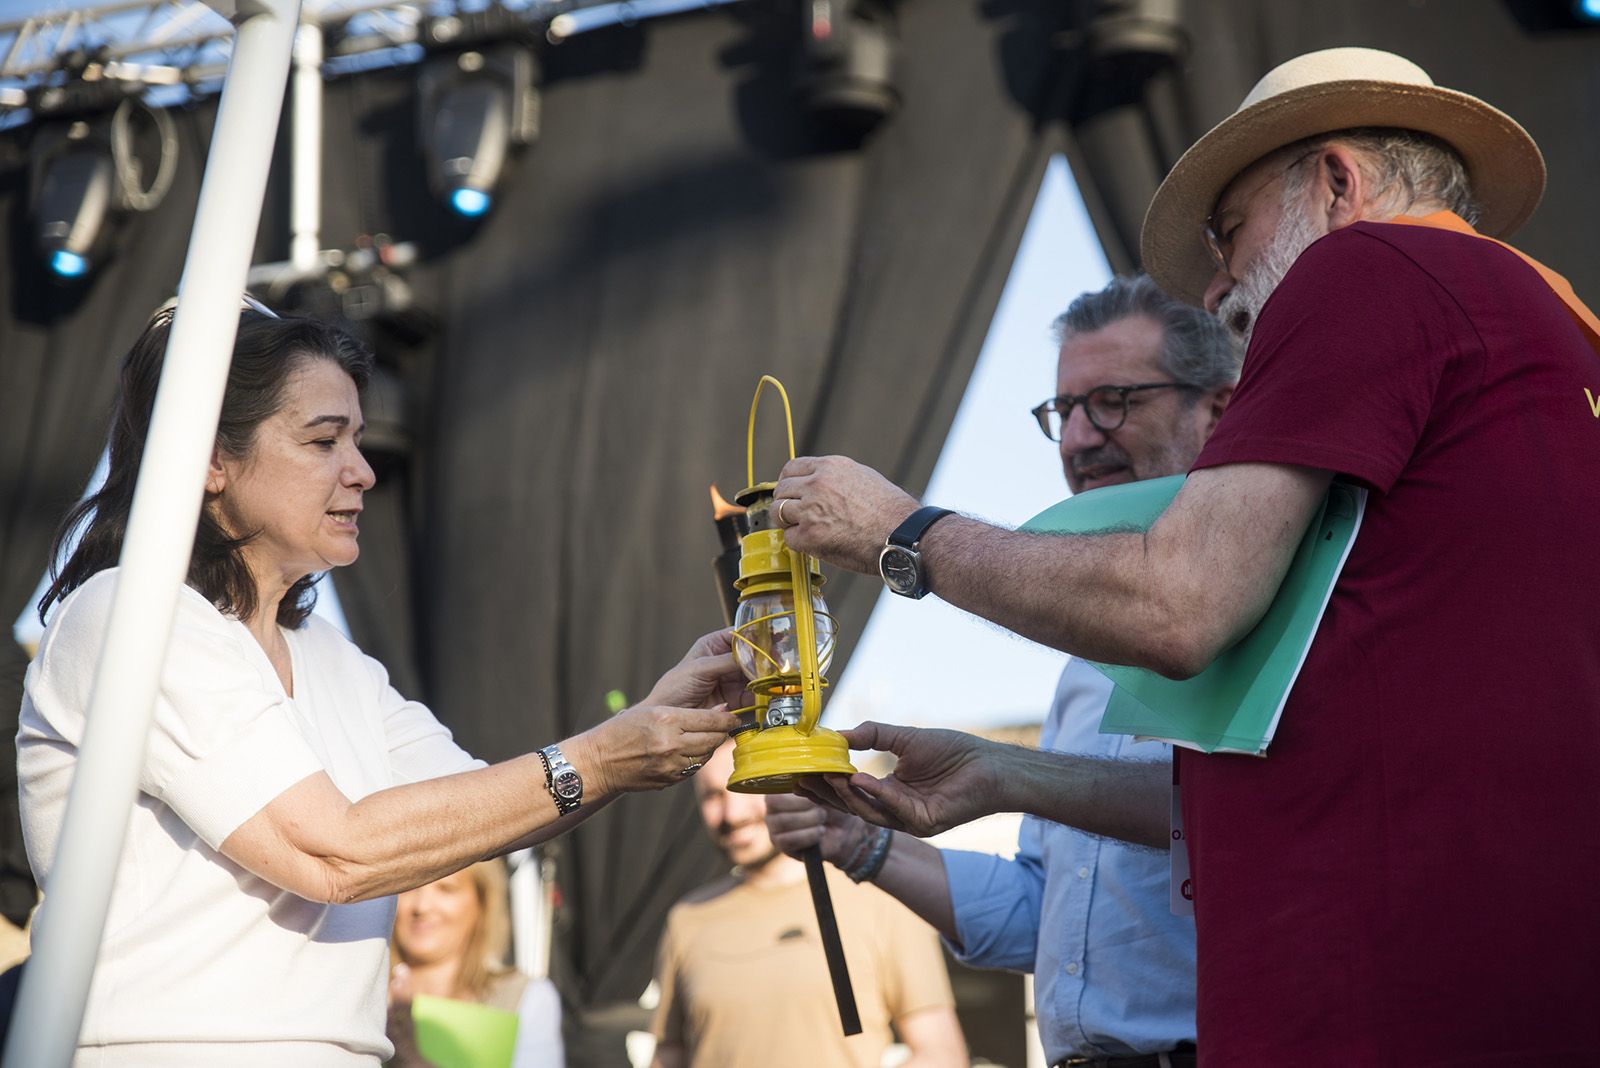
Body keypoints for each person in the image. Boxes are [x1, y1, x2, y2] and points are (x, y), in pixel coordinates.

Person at [766, 48, 1600, 1064]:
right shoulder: (1555, 321)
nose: (1217, 287)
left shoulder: (1363, 263)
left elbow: (1175, 606)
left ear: (1337, 182)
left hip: (1381, 988)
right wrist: (1003, 773)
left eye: (1230, 233)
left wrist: (902, 534)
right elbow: (1314, 752)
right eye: (1066, 410)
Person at [18, 303, 742, 1066]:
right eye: (324, 440)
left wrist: (665, 712)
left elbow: (485, 809)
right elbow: (335, 854)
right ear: (209, 459)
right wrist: (600, 760)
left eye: (357, 440)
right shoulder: (132, 613)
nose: (361, 470)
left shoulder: (330, 657)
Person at [766, 274, 1232, 1068]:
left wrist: (1011, 774)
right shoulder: (1085, 664)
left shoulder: (1271, 604)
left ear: (1216, 408)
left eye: (1115, 400)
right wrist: (860, 841)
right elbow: (1046, 919)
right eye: (1064, 411)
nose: (1081, 438)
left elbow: (1237, 819)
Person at [649, 739, 966, 1068]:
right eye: (713, 795)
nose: (733, 813)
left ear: (790, 787)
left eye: (746, 787)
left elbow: (940, 1054)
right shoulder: (688, 918)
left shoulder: (880, 897)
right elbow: (669, 1053)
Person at [386, 860, 564, 1067]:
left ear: (482, 902)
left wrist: (409, 1052)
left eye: (446, 889)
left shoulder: (525, 998)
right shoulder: (362, 990)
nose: (422, 906)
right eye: (409, 888)